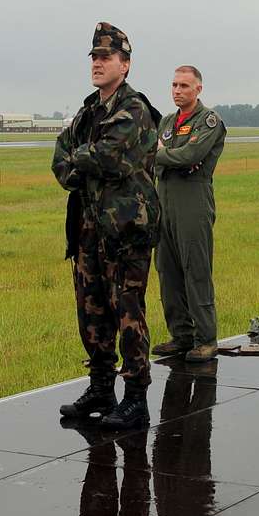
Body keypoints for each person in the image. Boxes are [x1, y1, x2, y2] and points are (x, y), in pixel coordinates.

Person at [52, 22, 161, 431]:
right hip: (88, 229)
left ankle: (135, 397)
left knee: (127, 312)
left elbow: (109, 159)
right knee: (91, 310)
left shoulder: (133, 110)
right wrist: (81, 159)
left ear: (126, 64)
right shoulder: (89, 111)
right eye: (94, 58)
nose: (97, 64)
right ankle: (101, 386)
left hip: (125, 231)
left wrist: (81, 159)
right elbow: (61, 159)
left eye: (106, 58)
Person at [152, 66, 226, 362]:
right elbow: (160, 161)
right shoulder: (168, 122)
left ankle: (206, 338)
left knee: (195, 270)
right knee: (166, 270)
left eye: (184, 85)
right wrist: (171, 158)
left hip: (192, 199)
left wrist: (162, 153)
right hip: (164, 198)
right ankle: (181, 334)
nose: (177, 90)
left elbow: (190, 156)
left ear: (198, 89)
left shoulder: (209, 120)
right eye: (173, 85)